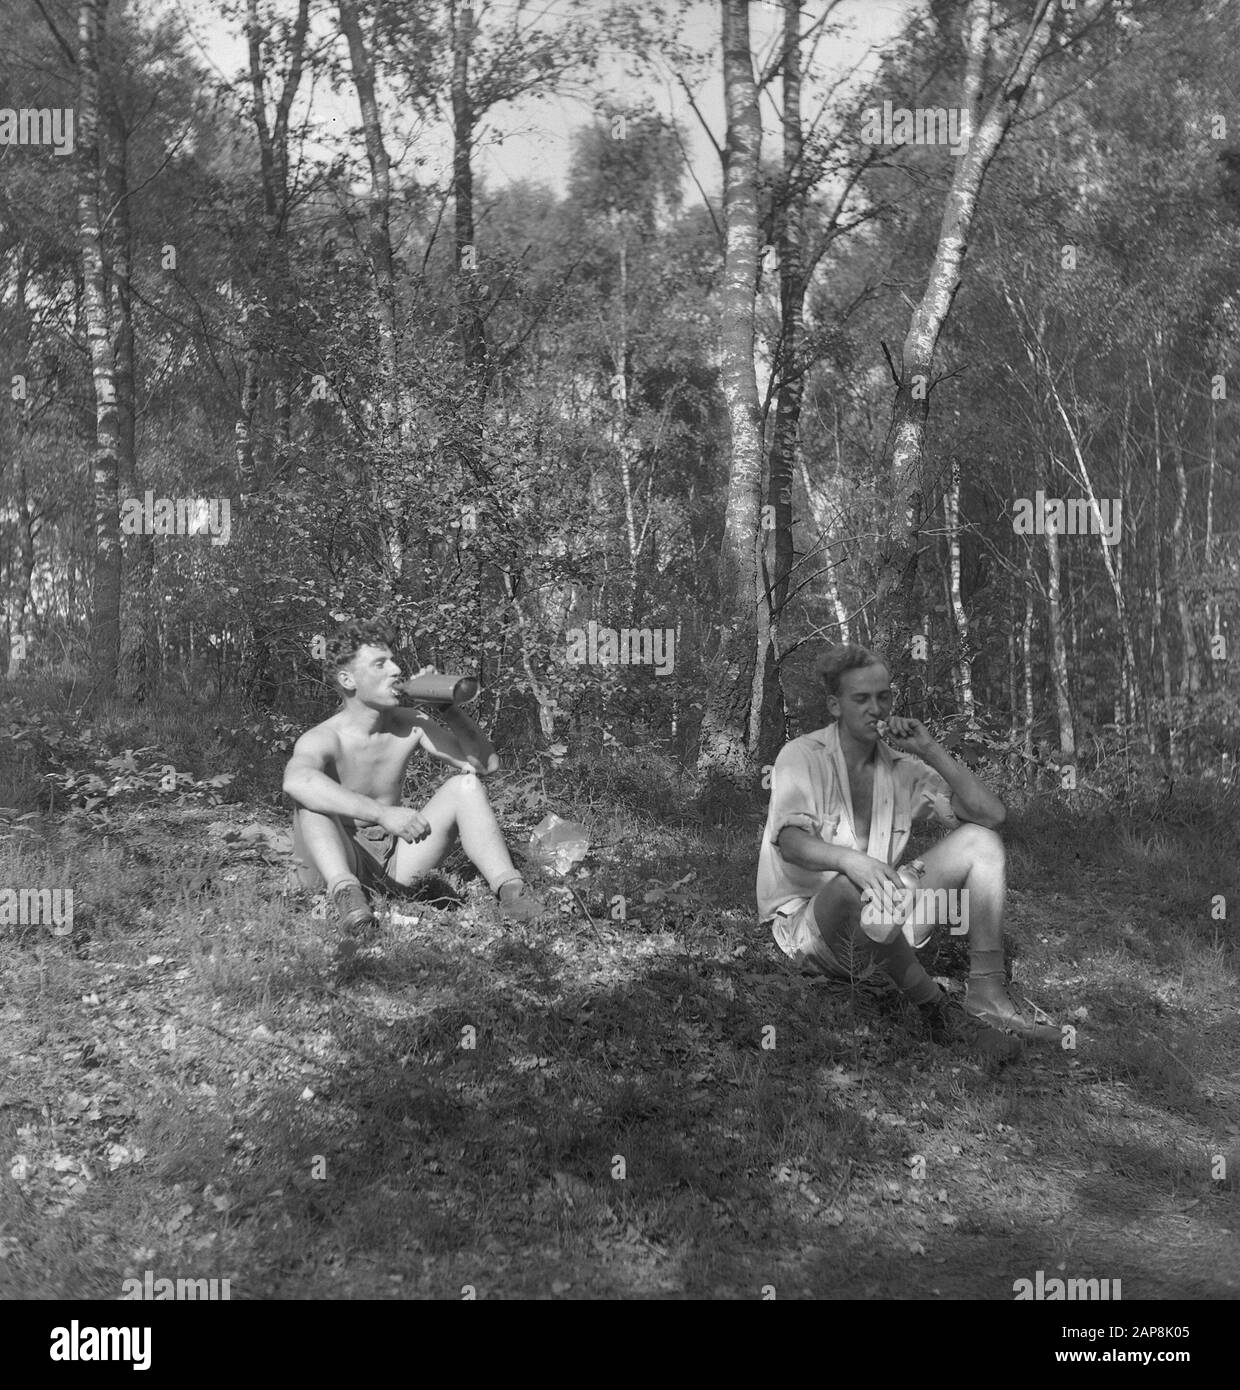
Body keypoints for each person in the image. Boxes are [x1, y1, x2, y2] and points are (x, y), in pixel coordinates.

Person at [757, 642, 1060, 1050]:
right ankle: (939, 1012)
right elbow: (790, 843)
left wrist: (932, 751)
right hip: (811, 931)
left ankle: (987, 996)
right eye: (860, 699)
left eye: (884, 697)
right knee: (851, 883)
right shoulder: (801, 756)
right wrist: (853, 861)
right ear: (834, 705)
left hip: (881, 915)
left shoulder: (902, 768)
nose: (875, 709)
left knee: (982, 843)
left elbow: (991, 816)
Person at [283, 618, 543, 952]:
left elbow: (485, 765)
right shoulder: (323, 737)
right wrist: (381, 813)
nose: (395, 670)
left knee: (467, 787)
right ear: (348, 679)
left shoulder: (410, 724)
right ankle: (347, 897)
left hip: (392, 863)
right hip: (335, 859)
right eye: (380, 664)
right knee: (310, 799)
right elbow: (297, 780)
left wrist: (447, 709)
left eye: (393, 660)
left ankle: (512, 894)